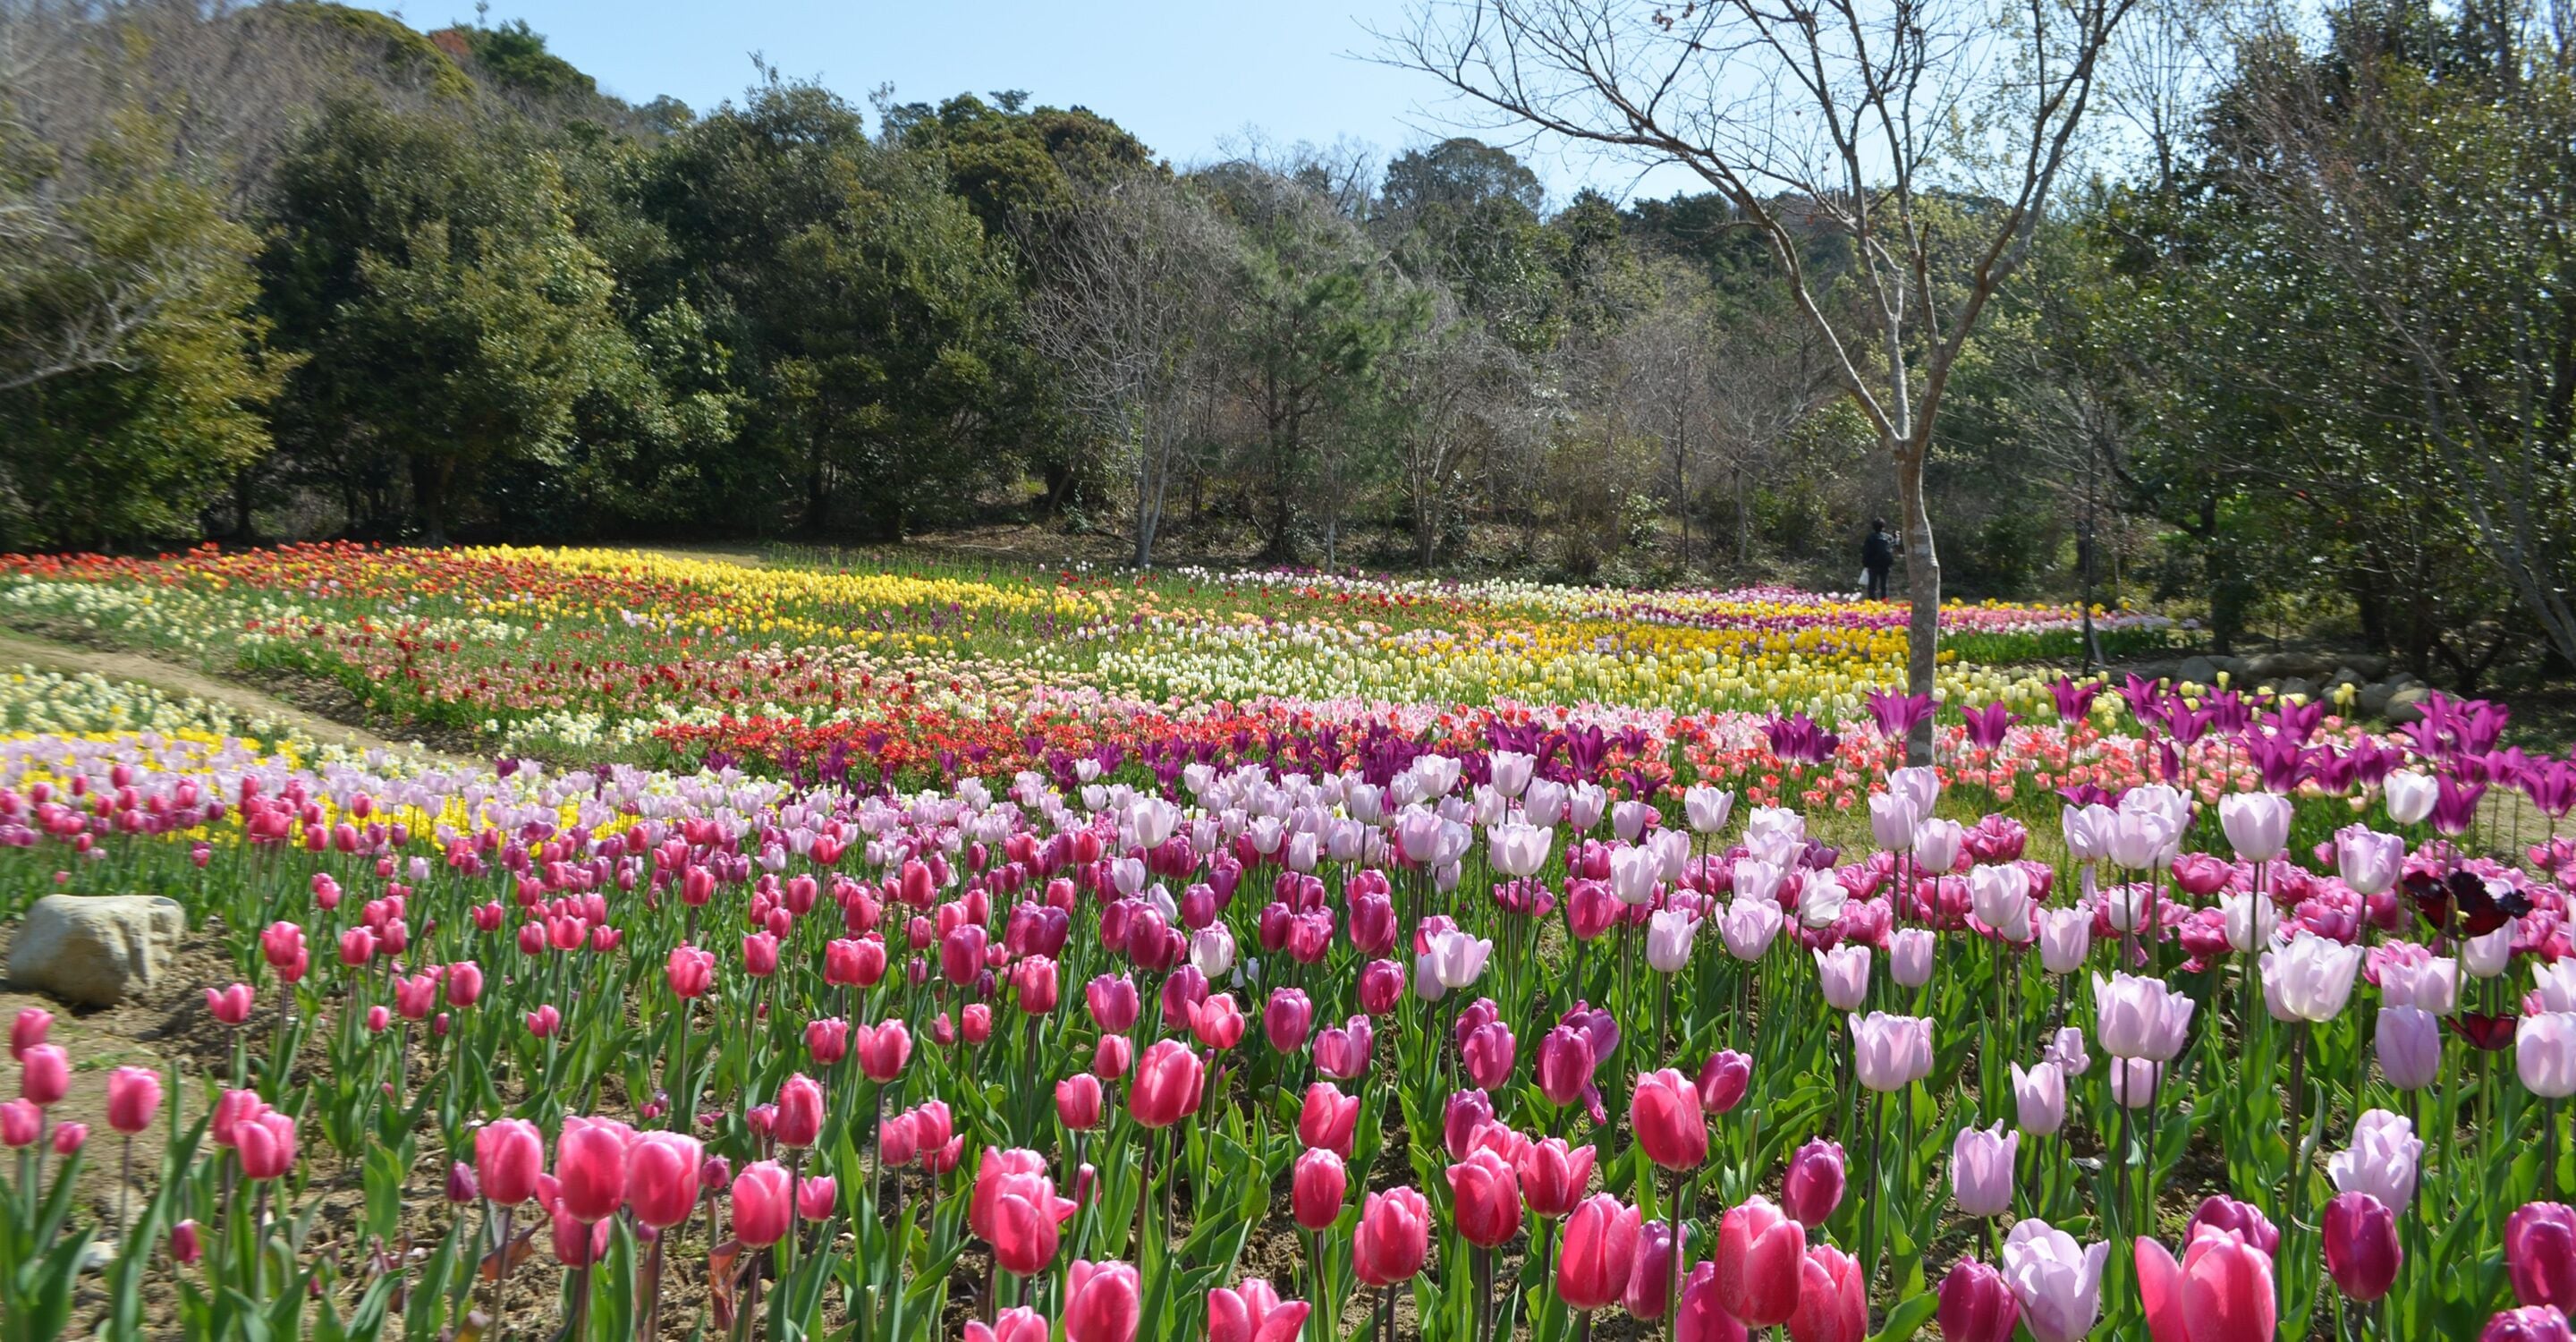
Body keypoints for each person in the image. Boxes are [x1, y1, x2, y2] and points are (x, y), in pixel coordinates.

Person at [1860, 519, 1895, 600]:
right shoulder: (1888, 537)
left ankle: (1872, 601)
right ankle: (1884, 600)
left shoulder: (1870, 537)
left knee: (1872, 584)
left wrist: (1865, 563)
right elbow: (1892, 547)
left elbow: (1866, 551)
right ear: (1883, 527)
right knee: (1884, 584)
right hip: (1885, 564)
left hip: (1873, 564)